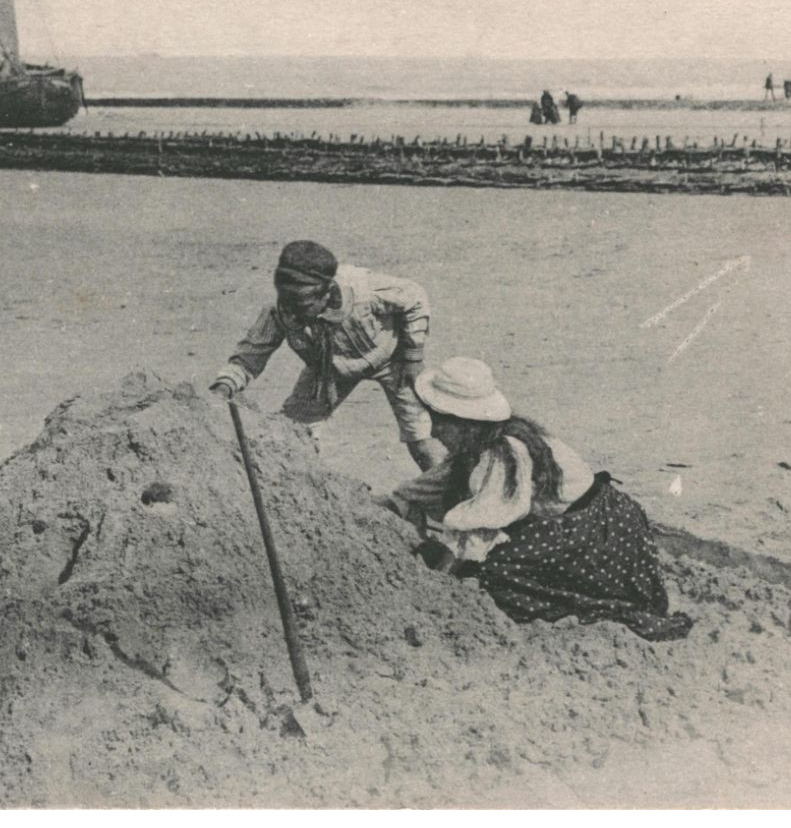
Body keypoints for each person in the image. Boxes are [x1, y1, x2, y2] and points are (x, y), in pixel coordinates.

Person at [383, 357, 692, 642]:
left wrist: (437, 585)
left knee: (496, 573)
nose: (434, 431)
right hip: (576, 523)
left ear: (466, 421)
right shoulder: (478, 445)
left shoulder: (505, 454)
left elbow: (479, 528)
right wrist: (396, 503)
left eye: (440, 421)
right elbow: (430, 486)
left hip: (596, 533)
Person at [209, 241, 447, 473]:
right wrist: (224, 387)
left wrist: (413, 356)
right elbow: (250, 355)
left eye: (302, 304)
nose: (293, 312)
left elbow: (414, 298)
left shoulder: (364, 289)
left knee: (422, 439)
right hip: (328, 370)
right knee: (293, 433)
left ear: (327, 293)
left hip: (391, 358)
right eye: (288, 301)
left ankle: (452, 500)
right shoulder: (280, 311)